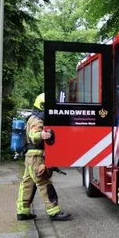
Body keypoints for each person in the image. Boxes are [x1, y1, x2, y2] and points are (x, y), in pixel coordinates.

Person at [16, 93, 72, 222]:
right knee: (44, 182)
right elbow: (33, 134)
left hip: (30, 156)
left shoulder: (33, 117)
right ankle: (54, 211)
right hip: (36, 156)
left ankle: (22, 211)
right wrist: (41, 135)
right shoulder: (38, 119)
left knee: (27, 184)